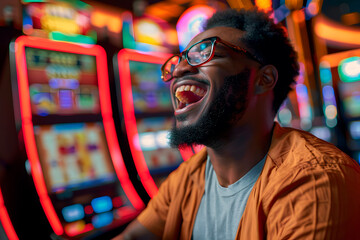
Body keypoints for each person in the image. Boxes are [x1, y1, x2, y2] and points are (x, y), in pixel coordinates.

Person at [113, 8, 360, 240]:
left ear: (264, 79)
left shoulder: (314, 181)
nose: (179, 70)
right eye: (178, 61)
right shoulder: (191, 175)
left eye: (207, 52)